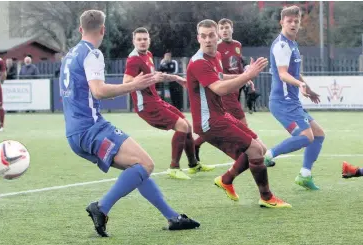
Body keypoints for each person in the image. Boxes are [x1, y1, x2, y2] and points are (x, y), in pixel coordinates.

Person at [60, 10, 199, 237]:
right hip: (91, 129)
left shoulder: (69, 55)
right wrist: (133, 85)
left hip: (75, 133)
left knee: (137, 167)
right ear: (103, 30)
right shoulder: (92, 53)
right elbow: (99, 91)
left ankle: (173, 217)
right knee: (145, 165)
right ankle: (101, 207)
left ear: (80, 29)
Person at [186, 19, 291, 208]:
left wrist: (243, 75)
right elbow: (219, 88)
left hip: (220, 115)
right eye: (204, 36)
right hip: (209, 121)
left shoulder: (215, 56)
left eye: (211, 35)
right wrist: (247, 75)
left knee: (259, 147)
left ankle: (226, 179)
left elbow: (220, 76)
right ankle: (266, 197)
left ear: (217, 36)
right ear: (198, 38)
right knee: (253, 151)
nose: (208, 39)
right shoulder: (198, 62)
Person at [124, 27, 215, 180]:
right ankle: (173, 167)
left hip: (155, 101)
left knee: (188, 125)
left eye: (145, 39)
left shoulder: (147, 55)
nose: (142, 42)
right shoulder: (133, 59)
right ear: (134, 41)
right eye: (139, 39)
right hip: (146, 106)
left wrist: (176, 78)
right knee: (182, 126)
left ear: (149, 40)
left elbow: (155, 75)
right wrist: (152, 79)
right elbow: (126, 82)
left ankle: (193, 164)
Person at [262, 5, 324, 190]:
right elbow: (282, 74)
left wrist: (308, 89)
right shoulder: (281, 45)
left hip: (292, 102)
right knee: (307, 137)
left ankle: (305, 175)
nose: (293, 24)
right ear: (282, 22)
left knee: (318, 135)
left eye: (296, 21)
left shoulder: (293, 44)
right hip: (283, 103)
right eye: (289, 21)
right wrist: (300, 85)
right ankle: (268, 155)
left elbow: (294, 73)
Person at [193, 18, 254, 163]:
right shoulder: (215, 48)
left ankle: (195, 144)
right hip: (225, 90)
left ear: (232, 29)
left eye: (227, 27)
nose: (225, 30)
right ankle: (252, 154)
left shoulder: (237, 45)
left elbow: (238, 65)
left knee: (227, 124)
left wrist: (246, 75)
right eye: (221, 28)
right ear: (218, 32)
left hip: (236, 88)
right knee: (243, 124)